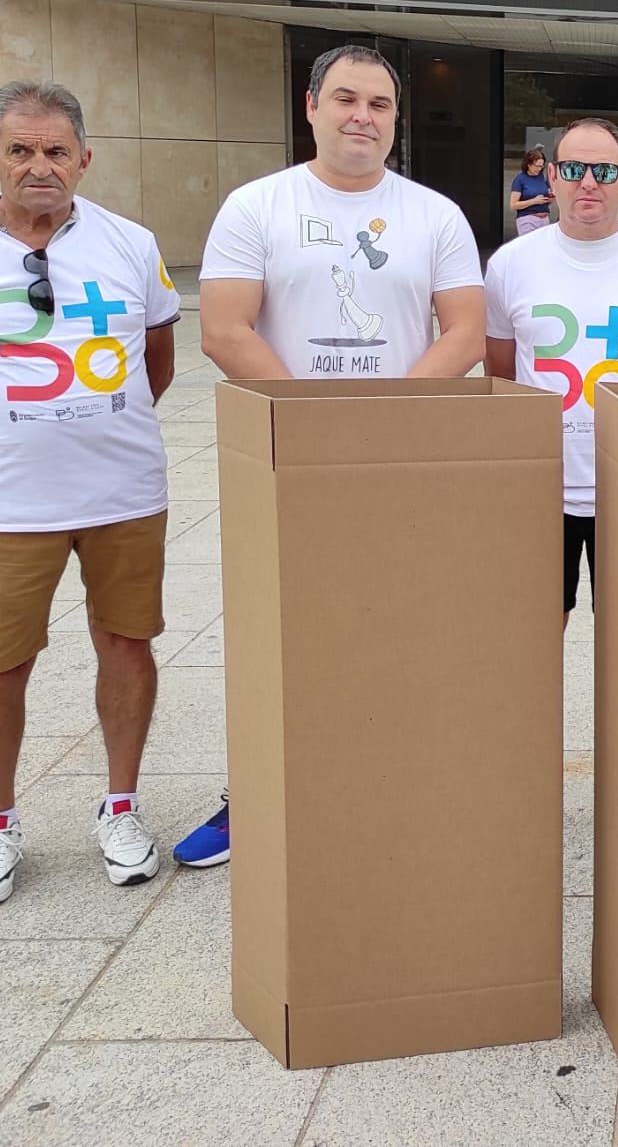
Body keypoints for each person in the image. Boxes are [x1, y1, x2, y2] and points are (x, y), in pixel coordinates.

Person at [171, 44, 486, 868]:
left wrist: (386, 421)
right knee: (279, 637)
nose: (362, 117)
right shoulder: (256, 207)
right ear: (310, 106)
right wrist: (318, 425)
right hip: (290, 457)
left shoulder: (435, 215)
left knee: (403, 633)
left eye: (379, 105)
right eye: (345, 99)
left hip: (406, 459)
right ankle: (257, 801)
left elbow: (463, 333)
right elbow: (224, 330)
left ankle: (392, 788)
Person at [0, 81, 180, 908]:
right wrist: (2, 438)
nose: (39, 166)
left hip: (125, 494)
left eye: (57, 151)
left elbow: (155, 363)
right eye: (20, 150)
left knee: (127, 643)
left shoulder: (131, 244)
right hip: (4, 504)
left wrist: (91, 425)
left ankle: (121, 807)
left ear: (84, 160)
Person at [486, 119, 618, 629]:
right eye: (576, 169)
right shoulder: (509, 266)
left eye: (604, 170)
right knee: (531, 636)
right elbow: (500, 378)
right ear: (553, 178)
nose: (589, 182)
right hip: (539, 488)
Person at [511, 146, 552, 235]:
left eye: (541, 166)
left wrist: (550, 198)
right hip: (527, 219)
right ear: (529, 164)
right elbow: (513, 205)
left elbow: (548, 198)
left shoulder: (542, 177)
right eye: (537, 166)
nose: (539, 169)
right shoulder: (520, 179)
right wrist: (534, 201)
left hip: (544, 219)